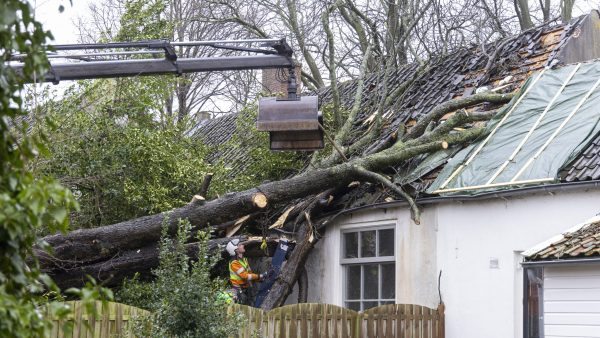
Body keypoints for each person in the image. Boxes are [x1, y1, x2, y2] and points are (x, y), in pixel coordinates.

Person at [226, 239, 265, 305]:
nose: (243, 245)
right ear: (236, 250)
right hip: (239, 291)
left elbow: (249, 274)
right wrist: (259, 276)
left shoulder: (244, 260)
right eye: (240, 245)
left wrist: (259, 279)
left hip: (246, 288)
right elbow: (245, 276)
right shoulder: (234, 263)